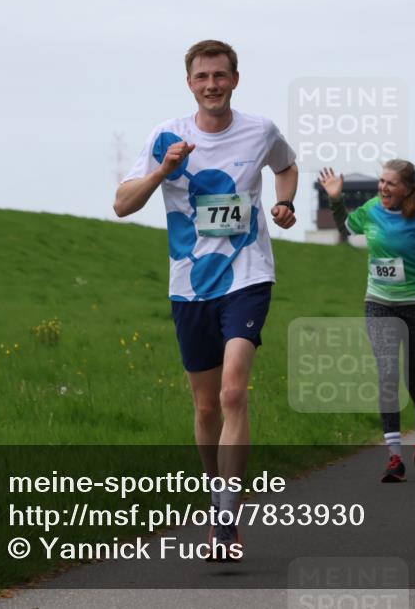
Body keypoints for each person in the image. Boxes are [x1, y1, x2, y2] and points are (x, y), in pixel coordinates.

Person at [114, 40, 299, 559]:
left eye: (220, 75)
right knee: (204, 405)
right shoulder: (165, 136)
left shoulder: (260, 130)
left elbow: (286, 166)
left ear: (235, 79)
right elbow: (122, 205)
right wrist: (161, 171)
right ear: (190, 84)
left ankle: (225, 518)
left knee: (233, 394)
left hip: (247, 275)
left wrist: (284, 203)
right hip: (190, 286)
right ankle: (215, 490)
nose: (212, 85)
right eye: (202, 77)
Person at [319, 162, 415, 482]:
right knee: (387, 376)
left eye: (391, 184)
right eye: (381, 182)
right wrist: (335, 198)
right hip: (379, 303)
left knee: (414, 378)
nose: (383, 189)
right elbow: (346, 229)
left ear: (408, 188)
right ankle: (394, 458)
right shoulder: (373, 208)